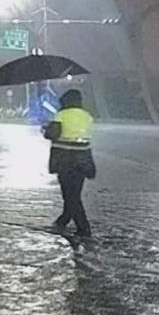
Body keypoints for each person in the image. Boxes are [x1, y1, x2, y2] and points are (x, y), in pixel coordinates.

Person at [42, 89, 95, 237]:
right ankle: (63, 219)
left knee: (70, 195)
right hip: (83, 159)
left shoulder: (61, 115)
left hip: (65, 160)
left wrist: (46, 129)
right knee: (75, 192)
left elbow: (53, 134)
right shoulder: (87, 116)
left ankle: (83, 227)